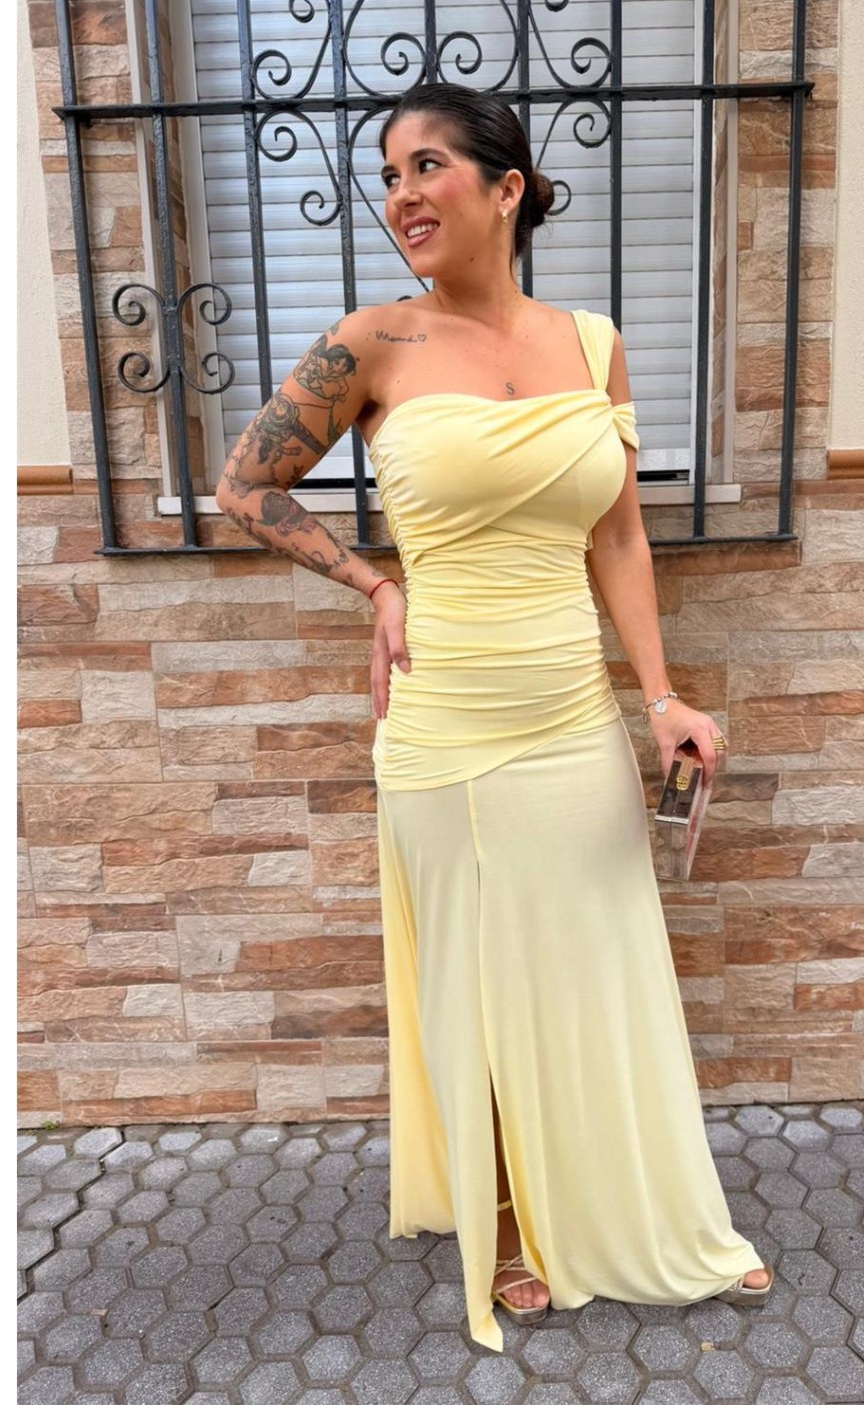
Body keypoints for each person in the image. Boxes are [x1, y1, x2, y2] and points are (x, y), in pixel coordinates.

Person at [216, 81, 774, 1354]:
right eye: (388, 175)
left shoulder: (593, 342)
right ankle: (511, 1219)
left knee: (594, 965)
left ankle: (648, 1209)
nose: (401, 194)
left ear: (505, 186)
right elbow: (245, 483)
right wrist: (374, 585)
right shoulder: (373, 342)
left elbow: (618, 536)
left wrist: (660, 697)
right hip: (444, 723)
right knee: (476, 977)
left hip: (569, 712)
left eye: (428, 166)